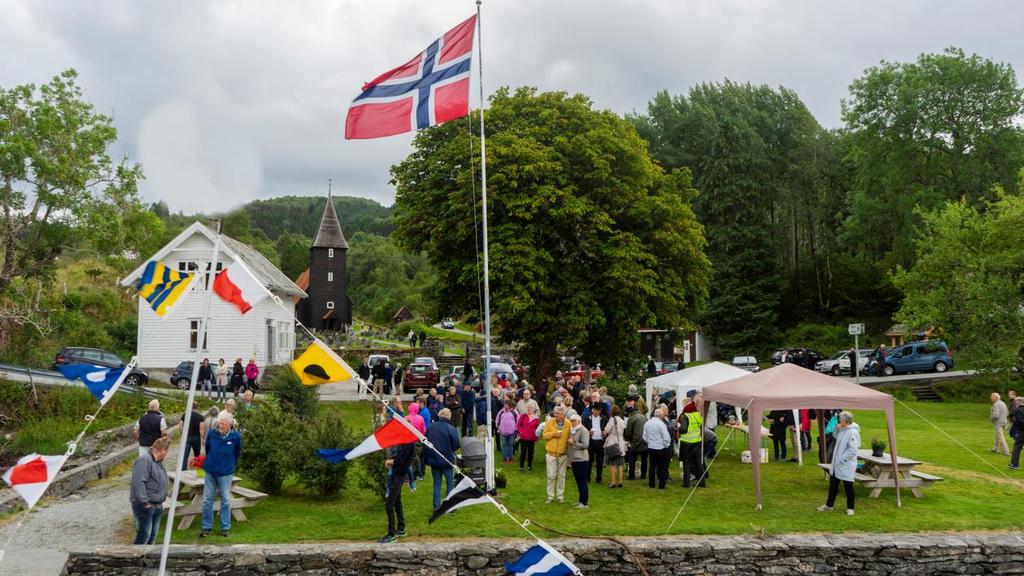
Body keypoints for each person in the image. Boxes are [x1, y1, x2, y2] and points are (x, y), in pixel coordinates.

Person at [201, 410, 242, 537]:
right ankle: (206, 527)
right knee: (207, 499)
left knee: (226, 499)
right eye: (219, 423)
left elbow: (237, 453)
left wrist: (229, 464)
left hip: (225, 472)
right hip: (211, 470)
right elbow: (208, 449)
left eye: (223, 424)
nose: (220, 426)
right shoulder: (212, 434)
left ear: (229, 425)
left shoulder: (235, 437)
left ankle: (225, 527)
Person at [817, 411, 860, 516]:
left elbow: (853, 450)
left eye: (841, 419)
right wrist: (836, 428)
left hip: (846, 465)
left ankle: (850, 508)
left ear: (845, 420)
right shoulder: (843, 429)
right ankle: (829, 505)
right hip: (837, 464)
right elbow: (835, 436)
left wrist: (841, 459)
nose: (839, 421)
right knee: (833, 486)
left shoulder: (853, 432)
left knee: (848, 486)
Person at [129, 436, 169, 545]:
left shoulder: (157, 462)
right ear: (163, 450)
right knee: (144, 536)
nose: (166, 455)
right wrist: (145, 502)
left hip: (157, 504)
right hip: (146, 505)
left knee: (152, 536)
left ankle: (147, 561)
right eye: (167, 452)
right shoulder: (144, 459)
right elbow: (138, 482)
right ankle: (133, 559)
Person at [424, 408, 460, 511]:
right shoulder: (451, 428)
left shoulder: (431, 427)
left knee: (437, 483)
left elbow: (426, 441)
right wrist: (450, 450)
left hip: (434, 459)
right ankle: (450, 506)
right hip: (447, 459)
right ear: (448, 417)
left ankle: (436, 506)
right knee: (450, 482)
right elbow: (456, 444)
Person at [381, 440, 416, 543]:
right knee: (397, 502)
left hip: (398, 476)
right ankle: (401, 528)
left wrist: (389, 461)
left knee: (389, 504)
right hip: (398, 474)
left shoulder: (409, 443)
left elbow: (401, 460)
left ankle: (391, 534)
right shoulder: (408, 442)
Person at [543, 405, 571, 503]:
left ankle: (560, 496)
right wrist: (553, 434)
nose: (555, 415)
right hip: (550, 454)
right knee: (551, 475)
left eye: (557, 414)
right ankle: (550, 497)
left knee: (561, 476)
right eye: (554, 413)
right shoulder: (550, 422)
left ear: (563, 414)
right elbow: (544, 435)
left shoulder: (568, 424)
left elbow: (570, 436)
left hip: (563, 454)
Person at [678, 399, 705, 488]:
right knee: (698, 463)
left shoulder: (685, 416)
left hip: (687, 442)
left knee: (686, 462)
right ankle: (702, 482)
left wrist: (678, 428)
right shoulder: (697, 414)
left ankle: (686, 483)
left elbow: (684, 429)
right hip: (697, 441)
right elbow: (701, 426)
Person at [643, 407, 672, 489]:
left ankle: (651, 484)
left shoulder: (647, 423)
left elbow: (644, 436)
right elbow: (666, 437)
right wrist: (666, 445)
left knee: (652, 466)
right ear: (660, 415)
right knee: (662, 466)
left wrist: (649, 442)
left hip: (651, 447)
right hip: (661, 447)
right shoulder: (661, 424)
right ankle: (662, 485)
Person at [567, 414, 590, 509]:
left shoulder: (583, 430)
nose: (572, 422)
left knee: (582, 481)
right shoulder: (573, 430)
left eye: (574, 420)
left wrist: (574, 443)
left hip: (581, 459)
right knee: (578, 481)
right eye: (571, 421)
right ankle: (581, 500)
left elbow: (585, 445)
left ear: (579, 421)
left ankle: (584, 502)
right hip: (574, 458)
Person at [603, 404, 627, 488]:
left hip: (613, 443)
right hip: (620, 442)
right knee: (620, 464)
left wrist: (603, 433)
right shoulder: (622, 420)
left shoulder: (612, 420)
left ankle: (613, 482)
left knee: (612, 464)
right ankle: (620, 482)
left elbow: (606, 431)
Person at [585, 401, 607, 484]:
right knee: (589, 460)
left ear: (600, 411)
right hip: (591, 441)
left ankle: (599, 477)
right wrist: (588, 432)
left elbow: (607, 429)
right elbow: (584, 429)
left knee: (600, 461)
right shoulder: (587, 418)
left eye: (598, 410)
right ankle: (587, 477)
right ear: (592, 410)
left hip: (600, 441)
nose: (596, 412)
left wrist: (605, 433)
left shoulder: (604, 418)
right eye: (595, 410)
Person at [624, 405, 648, 481]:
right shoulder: (644, 416)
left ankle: (631, 475)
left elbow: (628, 432)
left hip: (636, 441)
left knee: (632, 459)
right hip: (645, 441)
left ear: (629, 413)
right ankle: (643, 475)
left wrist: (628, 440)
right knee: (644, 460)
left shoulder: (631, 418)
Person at [179, 404, 206, 471]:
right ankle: (198, 469)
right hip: (196, 438)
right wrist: (202, 438)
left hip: (187, 437)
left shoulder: (185, 415)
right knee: (197, 455)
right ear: (198, 408)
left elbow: (180, 426)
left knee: (185, 455)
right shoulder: (200, 417)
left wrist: (183, 434)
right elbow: (201, 429)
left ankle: (183, 470)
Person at [517, 404, 540, 471]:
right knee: (523, 452)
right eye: (529, 407)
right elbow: (518, 425)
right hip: (523, 438)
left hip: (532, 438)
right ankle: (521, 467)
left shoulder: (536, 419)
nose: (529, 409)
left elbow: (537, 429)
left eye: (531, 407)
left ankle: (529, 466)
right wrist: (520, 431)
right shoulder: (523, 416)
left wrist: (536, 437)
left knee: (531, 453)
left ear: (534, 409)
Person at [496, 400, 519, 465]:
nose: (505, 405)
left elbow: (518, 421)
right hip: (503, 432)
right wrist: (498, 428)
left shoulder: (514, 412)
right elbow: (497, 420)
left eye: (506, 404)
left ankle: (511, 458)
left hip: (512, 432)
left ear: (510, 405)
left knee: (511, 445)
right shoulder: (501, 411)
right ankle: (505, 459)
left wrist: (515, 429)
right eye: (504, 404)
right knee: (504, 445)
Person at [1009, 398, 1024, 470]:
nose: (1015, 404)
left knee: (1017, 447)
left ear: (1019, 402)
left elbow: (1020, 421)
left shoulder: (1018, 410)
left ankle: (1014, 464)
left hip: (1021, 431)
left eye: (1016, 402)